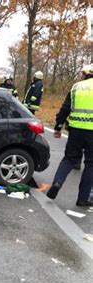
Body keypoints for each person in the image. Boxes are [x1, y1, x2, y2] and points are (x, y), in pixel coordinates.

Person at [46, 64, 93, 207]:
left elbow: (65, 108)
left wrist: (58, 127)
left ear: (85, 74)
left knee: (69, 159)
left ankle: (57, 183)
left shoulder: (76, 87)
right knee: (91, 164)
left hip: (75, 130)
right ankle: (83, 199)